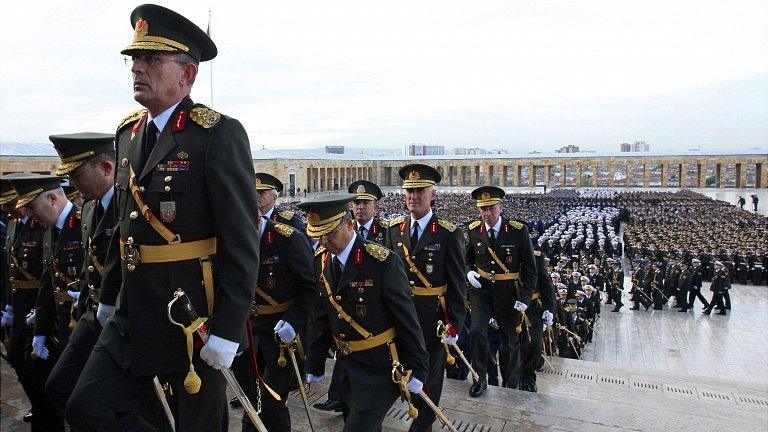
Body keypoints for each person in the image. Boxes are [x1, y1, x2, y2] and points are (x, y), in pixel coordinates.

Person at [66, 5, 260, 431]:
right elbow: (125, 228)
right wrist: (106, 298)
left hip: (191, 316)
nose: (137, 67)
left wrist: (228, 329)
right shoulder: (127, 135)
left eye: (151, 59)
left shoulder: (216, 135)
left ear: (186, 75)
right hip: (133, 311)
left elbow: (242, 244)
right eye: (135, 59)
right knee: (85, 408)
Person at [298, 194, 428, 431]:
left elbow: (406, 319)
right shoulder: (322, 260)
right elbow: (322, 316)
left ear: (349, 225)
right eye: (319, 235)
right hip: (347, 368)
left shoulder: (381, 262)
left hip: (381, 368)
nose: (324, 240)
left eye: (330, 233)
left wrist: (418, 368)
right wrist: (314, 363)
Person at [385, 164, 466, 432]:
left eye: (420, 191)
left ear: (433, 194)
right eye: (409, 191)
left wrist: (454, 322)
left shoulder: (448, 232)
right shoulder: (394, 229)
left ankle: (422, 426)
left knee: (429, 378)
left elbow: (456, 283)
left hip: (432, 317)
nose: (413, 196)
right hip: (398, 313)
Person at [232, 200, 316, 432]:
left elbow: (310, 289)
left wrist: (293, 321)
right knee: (250, 401)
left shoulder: (288, 239)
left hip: (281, 337)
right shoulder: (231, 239)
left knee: (272, 401)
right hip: (248, 332)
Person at [9, 173, 83, 431]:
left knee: (77, 396)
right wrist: (40, 331)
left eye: (32, 207)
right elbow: (48, 282)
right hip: (64, 326)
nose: (30, 215)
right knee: (60, 389)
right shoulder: (53, 231)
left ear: (52, 198)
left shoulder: (85, 222)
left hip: (87, 325)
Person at [465, 185, 537, 396]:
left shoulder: (517, 230)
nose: (487, 213)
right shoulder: (473, 229)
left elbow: (530, 269)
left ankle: (511, 384)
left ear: (500, 206)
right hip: (482, 292)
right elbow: (467, 259)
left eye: (491, 208)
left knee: (509, 342)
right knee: (477, 331)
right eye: (483, 209)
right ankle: (480, 378)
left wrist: (525, 298)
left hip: (509, 293)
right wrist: (469, 272)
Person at [1, 174, 52, 428]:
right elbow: (9, 268)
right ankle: (40, 406)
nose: (9, 209)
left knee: (36, 363)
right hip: (20, 304)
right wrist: (9, 304)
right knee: (16, 357)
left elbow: (47, 271)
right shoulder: (14, 225)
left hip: (37, 303)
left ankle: (47, 410)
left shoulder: (42, 227)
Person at [348, 180, 388, 245]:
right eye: (357, 203)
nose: (360, 207)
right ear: (352, 206)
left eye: (365, 203)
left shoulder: (386, 231)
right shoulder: (347, 230)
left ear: (375, 207)